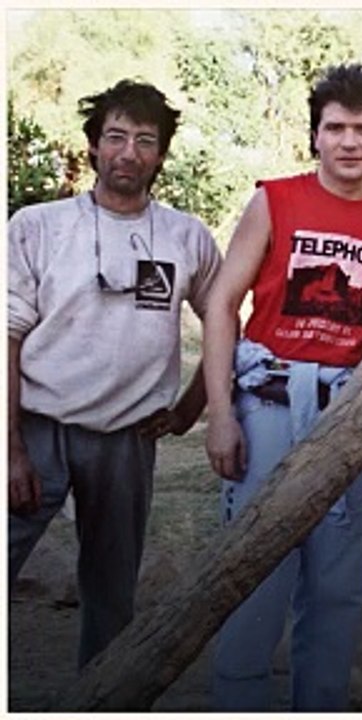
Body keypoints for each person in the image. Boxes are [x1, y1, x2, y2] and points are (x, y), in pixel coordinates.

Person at [202, 63, 362, 710]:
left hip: (355, 420)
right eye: (335, 127)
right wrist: (221, 413)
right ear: (315, 136)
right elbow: (222, 304)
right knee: (253, 576)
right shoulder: (275, 198)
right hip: (269, 405)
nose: (349, 141)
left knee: (337, 587)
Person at [8, 79, 221, 669]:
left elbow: (225, 319)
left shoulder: (186, 236)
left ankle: (101, 699)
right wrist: (10, 450)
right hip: (39, 428)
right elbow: (9, 335)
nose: (129, 153)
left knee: (111, 593)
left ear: (161, 154)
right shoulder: (38, 225)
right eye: (116, 137)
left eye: (145, 141)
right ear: (95, 146)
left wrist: (189, 408)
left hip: (128, 439)